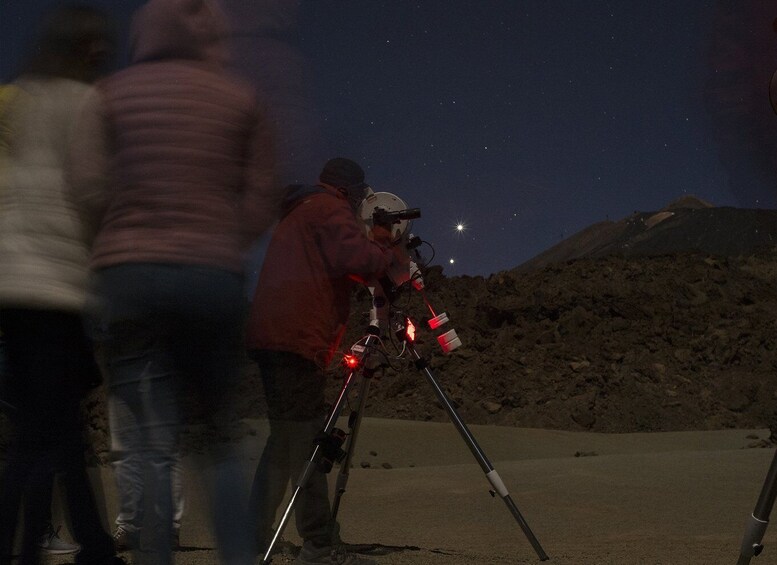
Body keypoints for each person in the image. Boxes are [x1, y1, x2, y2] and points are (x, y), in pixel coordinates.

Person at [67, 1, 279, 564]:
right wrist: (223, 239)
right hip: (210, 279)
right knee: (220, 441)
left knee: (149, 444)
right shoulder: (239, 97)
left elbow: (87, 188)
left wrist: (122, 233)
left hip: (130, 279)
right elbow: (263, 194)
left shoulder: (110, 96)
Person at [0, 5, 123, 565]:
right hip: (55, 287)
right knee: (39, 441)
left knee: (55, 430)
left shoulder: (16, 99)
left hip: (16, 286)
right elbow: (96, 192)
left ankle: (85, 546)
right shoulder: (83, 103)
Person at [245, 158, 396, 565]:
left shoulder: (304, 209)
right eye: (360, 194)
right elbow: (359, 260)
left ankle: (253, 539)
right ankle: (318, 547)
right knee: (309, 443)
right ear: (347, 191)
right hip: (295, 341)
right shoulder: (329, 209)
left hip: (274, 338)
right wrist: (383, 241)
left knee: (284, 443)